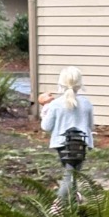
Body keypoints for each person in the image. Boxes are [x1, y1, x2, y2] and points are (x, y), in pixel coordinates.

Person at [37, 66, 94, 202]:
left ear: (60, 83)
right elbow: (90, 126)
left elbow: (46, 126)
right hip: (81, 143)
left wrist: (45, 108)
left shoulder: (55, 104)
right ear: (80, 84)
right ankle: (64, 205)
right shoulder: (86, 103)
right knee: (72, 175)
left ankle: (65, 205)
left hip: (61, 144)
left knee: (70, 174)